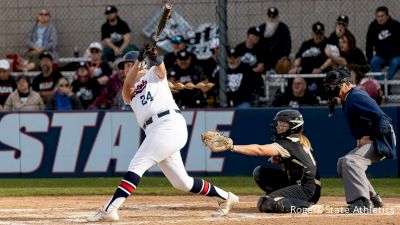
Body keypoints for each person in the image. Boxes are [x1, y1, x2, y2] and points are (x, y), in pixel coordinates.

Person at [87, 48, 239, 222]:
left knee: (137, 165)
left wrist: (155, 57)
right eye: (124, 66)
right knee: (182, 183)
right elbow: (128, 84)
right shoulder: (128, 90)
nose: (126, 69)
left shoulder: (152, 74)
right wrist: (138, 61)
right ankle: (226, 197)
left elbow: (161, 69)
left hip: (168, 124)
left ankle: (109, 209)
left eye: (129, 65)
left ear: (143, 63)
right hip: (156, 132)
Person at [207, 109, 321, 213]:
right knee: (260, 173)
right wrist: (281, 161)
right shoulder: (299, 140)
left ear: (294, 126)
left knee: (265, 203)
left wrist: (231, 147)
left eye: (283, 124)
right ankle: (279, 197)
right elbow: (298, 168)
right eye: (279, 123)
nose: (278, 127)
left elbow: (259, 150)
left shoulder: (288, 143)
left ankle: (308, 207)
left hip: (307, 190)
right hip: (304, 185)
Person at [324, 67, 396, 213]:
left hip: (382, 138)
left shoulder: (356, 96)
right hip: (376, 137)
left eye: (334, 84)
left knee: (352, 161)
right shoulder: (348, 98)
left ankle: (362, 203)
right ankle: (374, 198)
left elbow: (384, 119)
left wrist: (372, 136)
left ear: (345, 84)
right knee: (343, 163)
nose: (331, 88)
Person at [366, 6, 400, 80]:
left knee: (395, 62)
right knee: (373, 62)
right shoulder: (373, 26)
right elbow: (369, 44)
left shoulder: (396, 25)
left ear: (387, 16)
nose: (380, 18)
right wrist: (369, 58)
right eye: (378, 16)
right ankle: (383, 84)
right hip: (380, 55)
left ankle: (385, 83)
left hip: (395, 55)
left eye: (382, 16)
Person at [258, 7, 291, 71]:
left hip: (279, 59)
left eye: (274, 17)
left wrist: (284, 56)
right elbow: (258, 45)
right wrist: (260, 60)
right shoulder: (262, 28)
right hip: (264, 59)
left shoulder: (283, 28)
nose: (271, 19)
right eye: (270, 16)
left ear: (277, 17)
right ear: (267, 17)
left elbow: (287, 44)